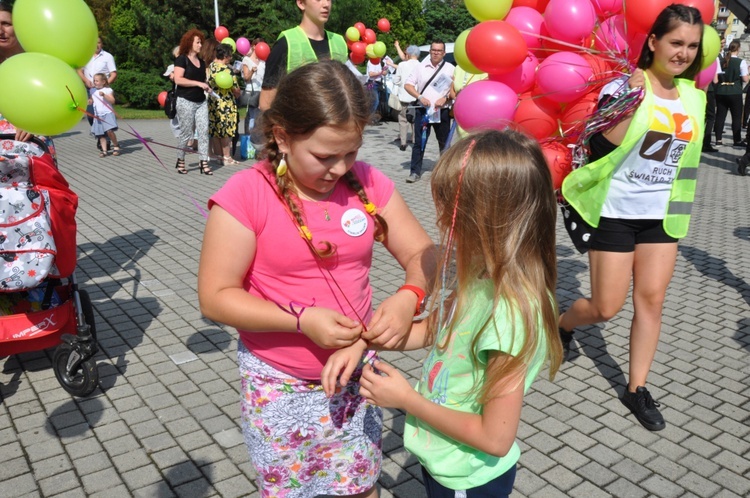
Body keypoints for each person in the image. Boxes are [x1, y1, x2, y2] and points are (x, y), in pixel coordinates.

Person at [197, 59, 435, 498]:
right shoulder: (247, 195)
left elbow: (424, 253)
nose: (341, 168)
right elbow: (215, 297)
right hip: (278, 384)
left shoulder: (368, 183)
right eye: (325, 156)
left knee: (361, 487)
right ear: (282, 136)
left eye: (352, 152)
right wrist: (301, 320)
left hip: (354, 377)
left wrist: (409, 295)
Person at [322, 129, 562, 498]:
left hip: (469, 476)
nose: (442, 225)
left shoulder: (510, 314)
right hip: (446, 460)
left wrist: (406, 400)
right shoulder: (482, 278)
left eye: (451, 214)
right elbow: (440, 331)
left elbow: (495, 438)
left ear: (487, 218)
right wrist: (367, 341)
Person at [558, 4, 706, 432]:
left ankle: (636, 388)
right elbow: (599, 147)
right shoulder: (624, 87)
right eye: (676, 42)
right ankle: (564, 322)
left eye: (692, 46)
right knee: (606, 307)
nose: (683, 53)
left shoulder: (695, 97)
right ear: (654, 42)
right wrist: (632, 98)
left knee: (651, 302)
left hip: (663, 216)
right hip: (615, 212)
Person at [259, 0, 347, 111]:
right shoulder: (286, 43)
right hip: (297, 126)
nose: (326, 4)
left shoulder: (339, 42)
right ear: (301, 3)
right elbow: (266, 104)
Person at [0, 2, 54, 153]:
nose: (0, 30)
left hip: (32, 144)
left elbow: (58, 100)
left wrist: (34, 123)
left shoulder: (39, 60)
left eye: (6, 24)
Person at [403, 40, 455, 183]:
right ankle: (415, 172)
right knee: (419, 142)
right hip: (423, 111)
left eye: (439, 50)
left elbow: (455, 91)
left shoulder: (450, 68)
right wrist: (419, 96)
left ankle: (446, 172)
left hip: (442, 112)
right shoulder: (420, 67)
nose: (436, 53)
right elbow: (408, 85)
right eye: (433, 50)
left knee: (444, 143)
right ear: (430, 51)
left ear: (444, 53)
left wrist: (445, 98)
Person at [173, 29, 211, 175]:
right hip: (185, 101)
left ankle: (204, 162)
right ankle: (180, 159)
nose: (200, 45)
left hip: (201, 101)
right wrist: (198, 83)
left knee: (203, 132)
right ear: (190, 43)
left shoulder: (201, 62)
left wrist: (206, 85)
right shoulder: (182, 59)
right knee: (186, 132)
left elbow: (202, 81)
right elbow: (178, 79)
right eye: (198, 42)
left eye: (201, 42)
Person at [208, 43, 241, 166]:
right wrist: (238, 93)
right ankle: (227, 157)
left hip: (213, 102)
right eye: (230, 56)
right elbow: (236, 88)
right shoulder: (227, 70)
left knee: (216, 129)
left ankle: (219, 156)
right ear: (226, 55)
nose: (231, 58)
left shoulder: (211, 66)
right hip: (226, 102)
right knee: (226, 130)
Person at [713, 40, 748, 147]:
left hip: (721, 91)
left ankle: (718, 140)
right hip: (735, 91)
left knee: (720, 116)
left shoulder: (721, 60)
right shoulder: (741, 62)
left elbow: (716, 77)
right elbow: (745, 79)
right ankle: (737, 140)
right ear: (738, 49)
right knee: (736, 117)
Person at [392, 45, 421, 151]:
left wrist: (401, 83)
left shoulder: (402, 65)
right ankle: (414, 140)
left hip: (404, 96)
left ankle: (403, 143)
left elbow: (396, 80)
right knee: (415, 120)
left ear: (408, 54)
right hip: (416, 97)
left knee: (403, 119)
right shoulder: (421, 65)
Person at [88, 73, 120, 158]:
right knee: (100, 134)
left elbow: (112, 101)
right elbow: (92, 100)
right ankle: (104, 150)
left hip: (107, 113)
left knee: (109, 131)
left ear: (103, 81)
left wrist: (104, 95)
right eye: (94, 80)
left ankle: (116, 145)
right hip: (98, 115)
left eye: (97, 80)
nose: (95, 82)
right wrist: (90, 101)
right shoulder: (92, 90)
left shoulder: (107, 90)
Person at [240, 38, 266, 137]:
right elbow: (246, 78)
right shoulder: (247, 60)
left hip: (262, 90)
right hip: (252, 91)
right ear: (254, 46)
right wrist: (252, 71)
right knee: (252, 116)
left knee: (260, 117)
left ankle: (258, 140)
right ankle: (250, 141)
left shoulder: (263, 60)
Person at [702, 56, 721, 153]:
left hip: (693, 88)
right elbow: (715, 80)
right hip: (708, 90)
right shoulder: (714, 58)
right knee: (710, 117)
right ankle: (706, 143)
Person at [366, 57, 387, 125]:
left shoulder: (379, 62)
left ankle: (373, 118)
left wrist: (384, 72)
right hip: (372, 83)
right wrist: (380, 72)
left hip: (378, 83)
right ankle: (369, 118)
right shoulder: (371, 62)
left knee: (376, 102)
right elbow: (371, 74)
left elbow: (381, 73)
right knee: (375, 101)